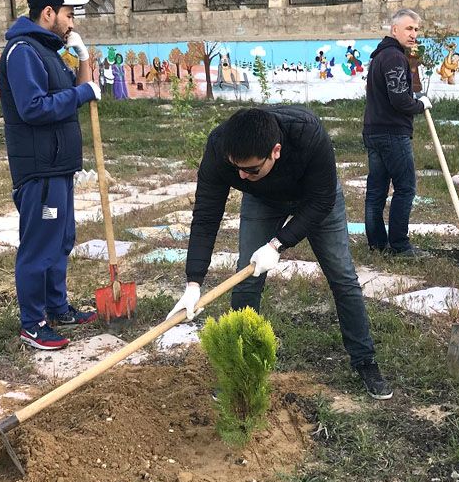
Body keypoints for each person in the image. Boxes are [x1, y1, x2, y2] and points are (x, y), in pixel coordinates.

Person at [167, 106, 394, 400]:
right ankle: (240, 368)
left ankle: (365, 361)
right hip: (263, 202)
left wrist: (277, 244)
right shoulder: (220, 147)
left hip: (316, 200)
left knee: (342, 277)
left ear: (275, 151)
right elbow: (207, 215)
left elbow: (322, 200)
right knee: (246, 279)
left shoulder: (308, 134)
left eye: (251, 170)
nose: (241, 176)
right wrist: (193, 282)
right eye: (236, 168)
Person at [0, 0, 103, 350]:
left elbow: (77, 90)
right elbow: (33, 108)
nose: (71, 22)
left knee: (61, 240)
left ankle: (57, 308)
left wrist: (84, 60)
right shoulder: (22, 52)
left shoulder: (47, 50)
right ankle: (33, 323)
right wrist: (80, 92)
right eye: (68, 13)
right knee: (39, 245)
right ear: (48, 13)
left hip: (59, 166)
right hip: (39, 169)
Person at [363, 9, 432, 257]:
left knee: (377, 189)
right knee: (405, 188)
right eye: (408, 29)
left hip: (373, 130)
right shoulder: (393, 57)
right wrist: (420, 105)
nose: (414, 34)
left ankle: (377, 245)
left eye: (416, 29)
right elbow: (399, 100)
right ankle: (400, 246)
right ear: (394, 30)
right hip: (391, 133)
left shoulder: (380, 56)